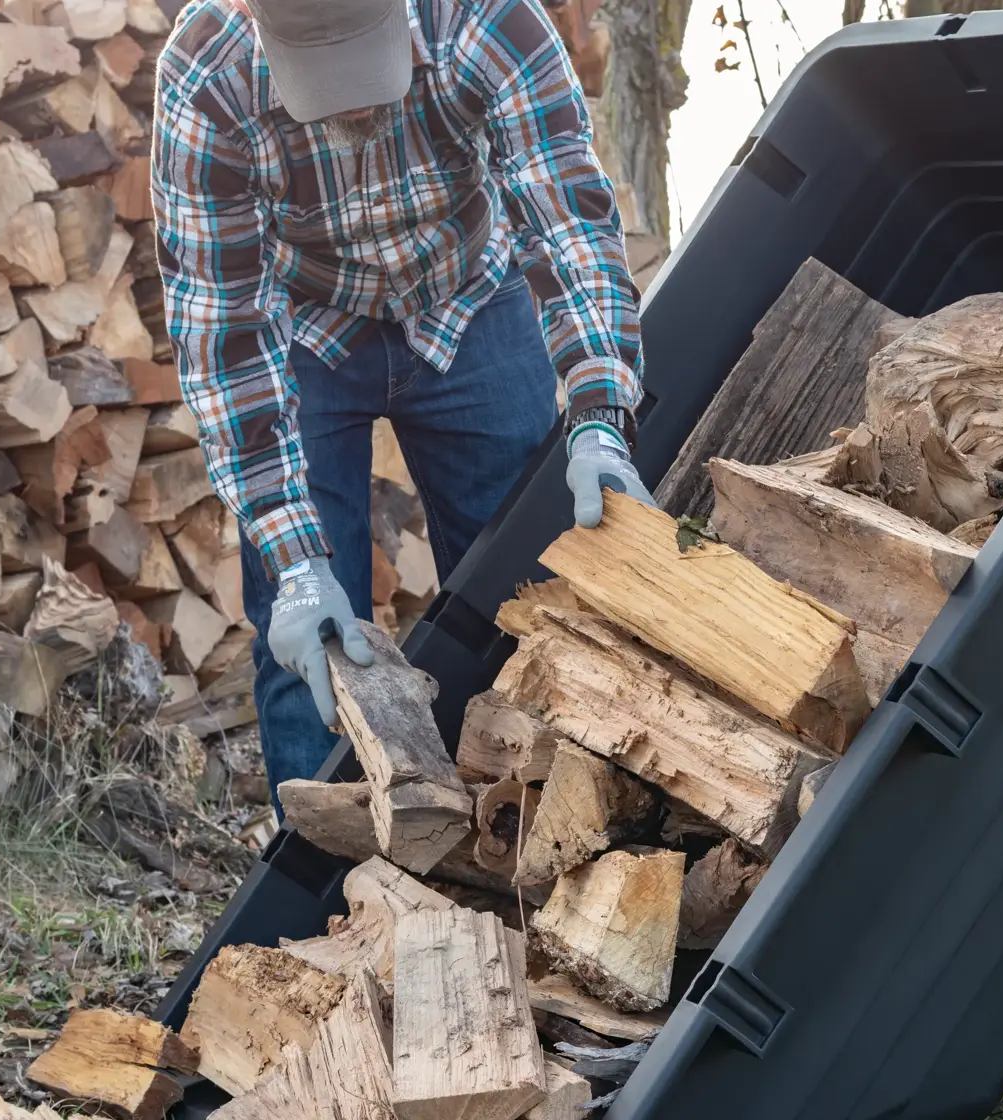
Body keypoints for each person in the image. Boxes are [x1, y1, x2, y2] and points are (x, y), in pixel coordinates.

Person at [151, 0, 654, 815]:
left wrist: (600, 415)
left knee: (527, 596)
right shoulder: (208, 72)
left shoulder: (487, 18)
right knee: (310, 643)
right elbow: (224, 331)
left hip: (471, 300)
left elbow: (567, 223)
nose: (351, 102)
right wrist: (295, 559)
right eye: (321, 71)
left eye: (363, 59)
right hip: (305, 330)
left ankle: (538, 828)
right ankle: (316, 881)